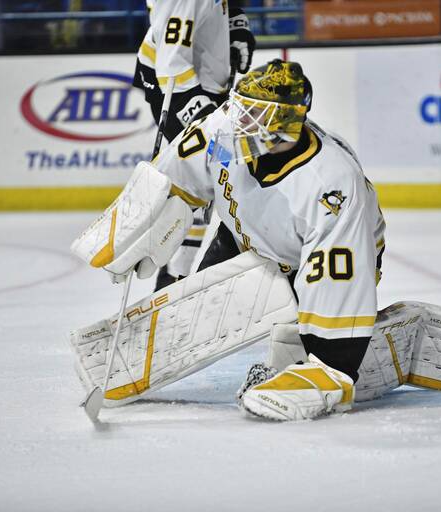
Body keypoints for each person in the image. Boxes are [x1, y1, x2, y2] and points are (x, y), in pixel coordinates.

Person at [148, 59, 386, 420]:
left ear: (284, 125)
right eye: (241, 108)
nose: (238, 119)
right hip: (248, 235)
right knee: (199, 309)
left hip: (315, 255)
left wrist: (334, 362)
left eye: (253, 113)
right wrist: (143, 212)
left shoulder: (332, 183)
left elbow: (340, 268)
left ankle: (341, 351)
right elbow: (180, 172)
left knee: (312, 337)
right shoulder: (227, 130)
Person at [132, 0, 256, 290]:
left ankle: (183, 275)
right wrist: (203, 115)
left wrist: (235, 23)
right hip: (177, 88)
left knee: (213, 182)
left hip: (206, 82)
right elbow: (170, 65)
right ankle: (173, 279)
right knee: (197, 183)